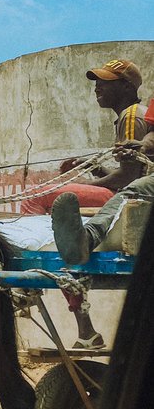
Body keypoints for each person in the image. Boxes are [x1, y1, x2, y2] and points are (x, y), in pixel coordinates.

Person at [21, 58, 149, 215]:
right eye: (97, 83)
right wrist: (96, 168)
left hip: (128, 198)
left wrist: (89, 184)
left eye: (105, 82)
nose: (97, 88)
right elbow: (133, 173)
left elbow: (128, 178)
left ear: (127, 86)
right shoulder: (135, 113)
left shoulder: (130, 116)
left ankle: (30, 240)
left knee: (35, 196)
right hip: (130, 193)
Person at [52, 132, 154, 264]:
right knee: (138, 188)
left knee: (138, 186)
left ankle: (89, 238)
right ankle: (85, 241)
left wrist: (86, 183)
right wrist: (143, 145)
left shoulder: (130, 117)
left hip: (121, 188)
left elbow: (126, 177)